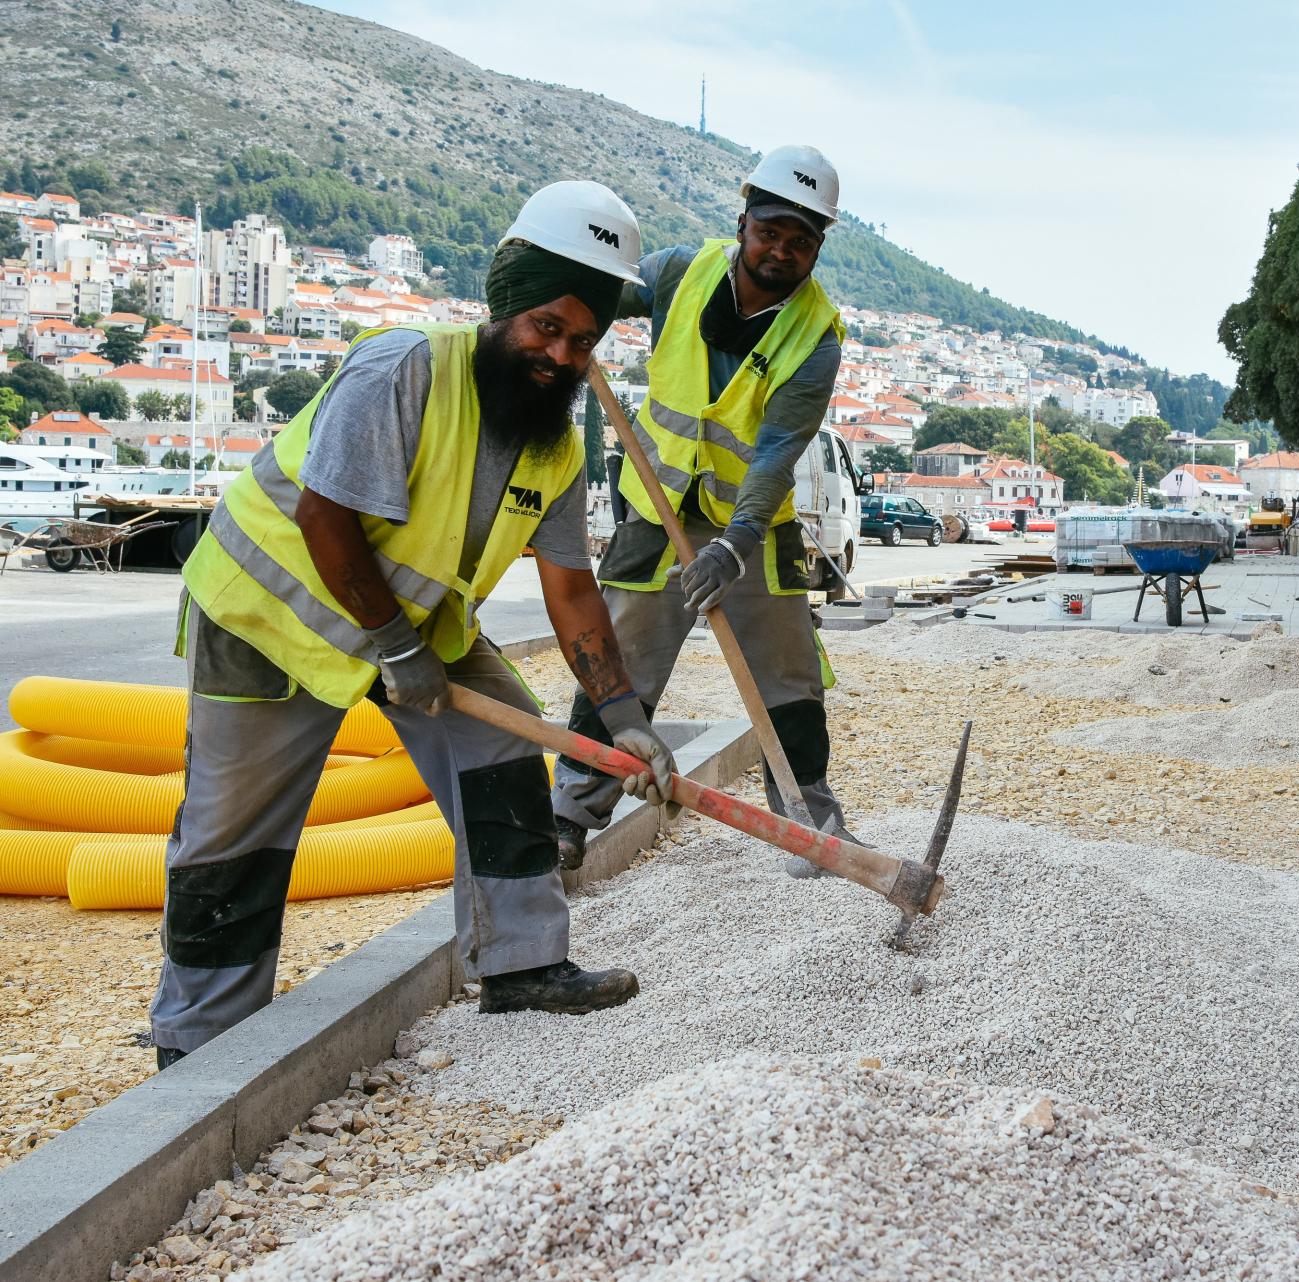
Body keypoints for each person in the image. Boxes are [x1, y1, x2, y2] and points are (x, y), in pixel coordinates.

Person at [149, 182, 680, 1068]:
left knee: (505, 761)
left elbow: (574, 590)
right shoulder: (403, 368)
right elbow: (325, 519)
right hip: (266, 616)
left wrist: (624, 714)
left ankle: (522, 967)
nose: (560, 354)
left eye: (583, 340)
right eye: (546, 327)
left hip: (419, 627)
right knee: (235, 835)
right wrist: (393, 648)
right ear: (507, 303)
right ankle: (199, 1048)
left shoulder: (553, 440)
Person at [552, 145, 853, 880]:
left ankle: (809, 823)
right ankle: (567, 817)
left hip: (756, 526)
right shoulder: (679, 273)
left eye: (801, 240)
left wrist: (738, 542)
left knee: (787, 674)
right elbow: (597, 299)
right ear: (744, 219)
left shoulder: (816, 336)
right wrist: (569, 306)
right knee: (616, 659)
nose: (781, 250)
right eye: (770, 231)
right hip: (654, 514)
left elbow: (778, 450)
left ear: (818, 245)